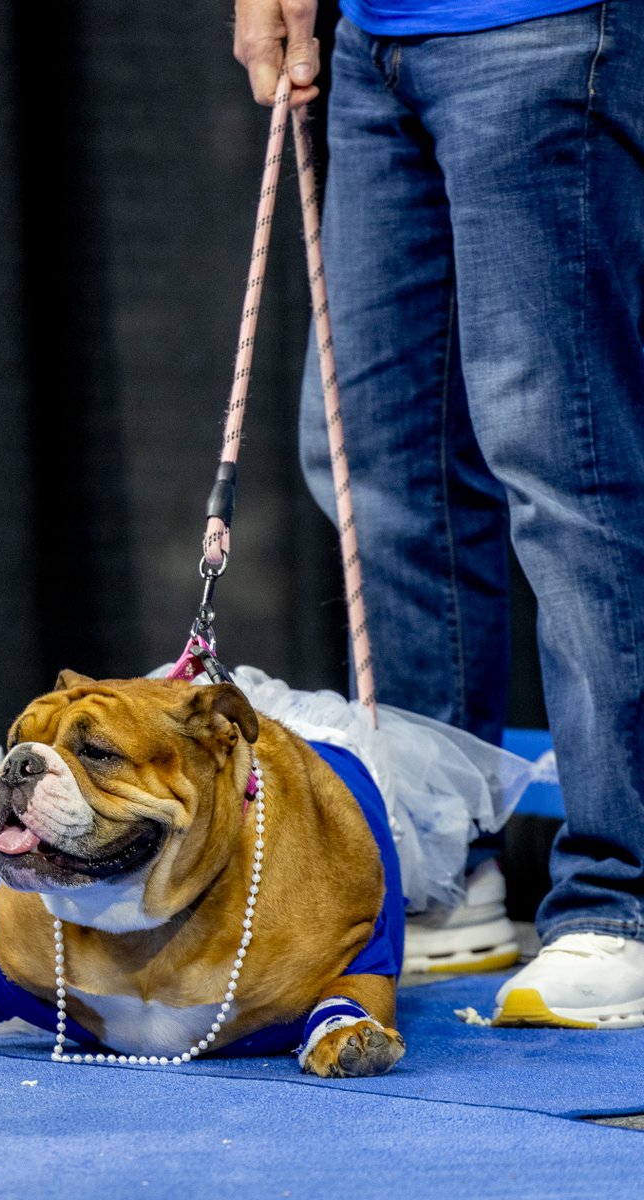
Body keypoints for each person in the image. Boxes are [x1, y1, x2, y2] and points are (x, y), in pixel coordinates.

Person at [232, 0, 644, 1027]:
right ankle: (449, 869)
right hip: (380, 43)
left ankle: (620, 902)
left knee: (565, 462)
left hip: (541, 22)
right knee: (376, 455)